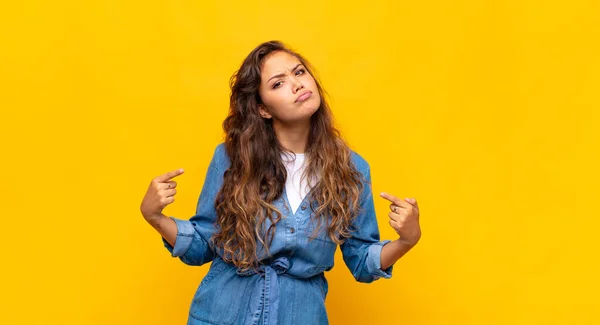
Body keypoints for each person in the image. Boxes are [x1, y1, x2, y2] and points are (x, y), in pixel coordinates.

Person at [140, 40, 422, 325]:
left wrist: (407, 240)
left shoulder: (352, 170)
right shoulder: (232, 158)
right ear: (263, 109)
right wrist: (154, 216)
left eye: (299, 72)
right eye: (278, 83)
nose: (297, 84)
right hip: (222, 313)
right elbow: (203, 244)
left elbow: (362, 262)